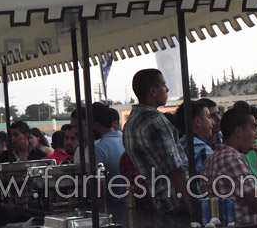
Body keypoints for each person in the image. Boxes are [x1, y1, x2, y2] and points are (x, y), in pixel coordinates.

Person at [123, 69, 194, 216]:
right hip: (178, 201)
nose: (167, 89)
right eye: (164, 85)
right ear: (153, 91)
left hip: (159, 201)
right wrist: (193, 208)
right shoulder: (156, 121)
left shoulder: (130, 123)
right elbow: (176, 170)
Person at [92, 102, 126, 201]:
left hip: (114, 205)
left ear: (97, 126)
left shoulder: (99, 149)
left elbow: (98, 187)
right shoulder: (126, 139)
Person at [175, 100, 214, 173]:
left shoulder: (178, 145)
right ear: (197, 122)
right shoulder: (203, 150)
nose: (213, 122)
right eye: (208, 117)